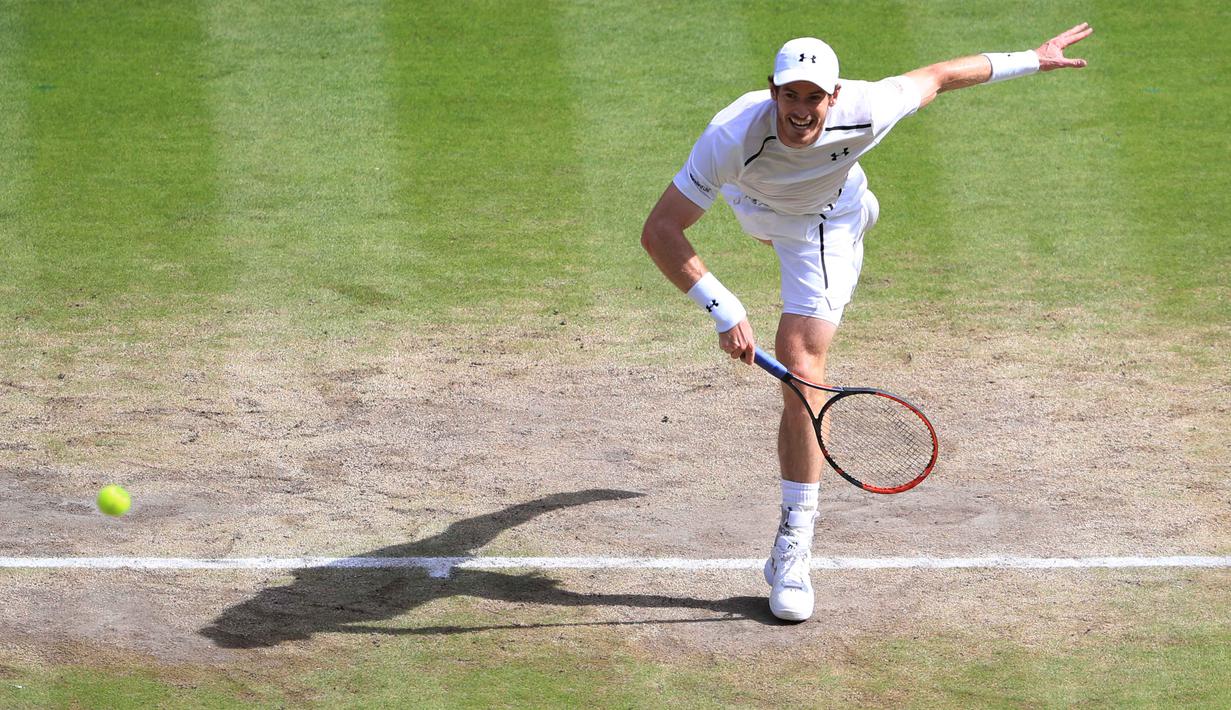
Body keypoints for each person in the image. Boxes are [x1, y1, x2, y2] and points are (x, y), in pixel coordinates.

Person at [641, 24, 1093, 621]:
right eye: (790, 95)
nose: (801, 110)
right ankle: (827, 220)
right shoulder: (730, 136)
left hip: (825, 222)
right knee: (763, 230)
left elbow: (939, 77)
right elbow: (661, 230)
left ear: (834, 97)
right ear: (772, 91)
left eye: (814, 97)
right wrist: (724, 309)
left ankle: (793, 545)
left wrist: (1034, 59)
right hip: (755, 205)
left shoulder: (868, 107)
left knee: (801, 366)